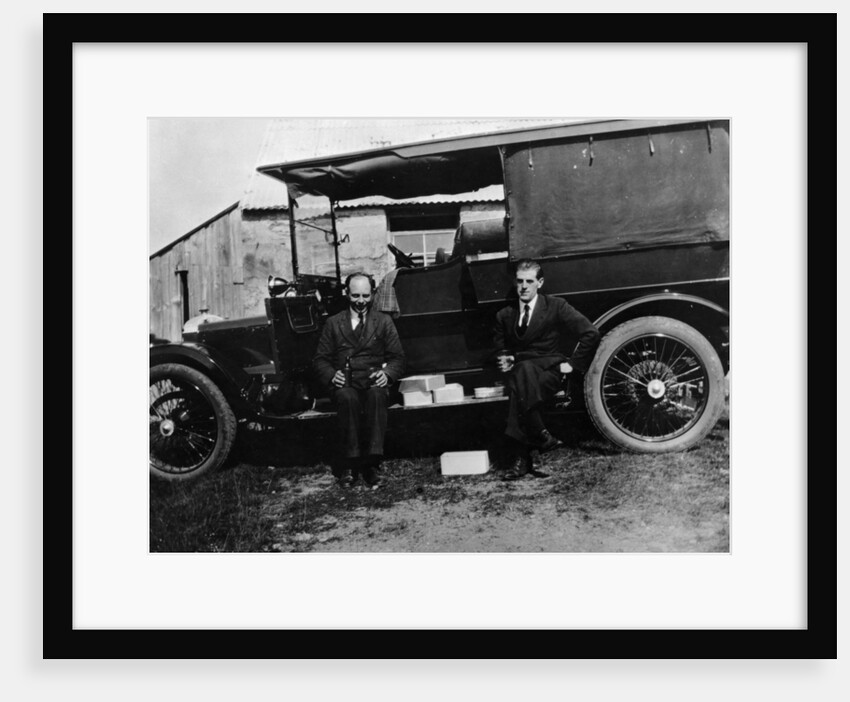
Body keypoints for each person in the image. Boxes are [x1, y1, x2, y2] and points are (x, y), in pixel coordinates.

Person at [493, 259, 600, 480]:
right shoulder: (504, 314)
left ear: (539, 283)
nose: (524, 286)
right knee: (520, 378)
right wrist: (503, 358)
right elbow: (500, 349)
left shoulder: (556, 306)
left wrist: (573, 364)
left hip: (549, 372)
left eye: (529, 281)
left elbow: (591, 333)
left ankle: (528, 449)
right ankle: (538, 437)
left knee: (520, 380)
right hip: (523, 374)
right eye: (520, 281)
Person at [313, 272, 405, 489]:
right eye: (355, 296)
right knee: (347, 398)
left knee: (376, 395)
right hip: (346, 383)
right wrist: (330, 374)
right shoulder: (334, 323)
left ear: (372, 294)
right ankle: (351, 464)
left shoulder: (383, 321)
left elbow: (398, 357)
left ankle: (372, 463)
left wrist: (388, 373)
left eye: (365, 295)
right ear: (346, 293)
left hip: (373, 381)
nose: (361, 301)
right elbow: (320, 359)